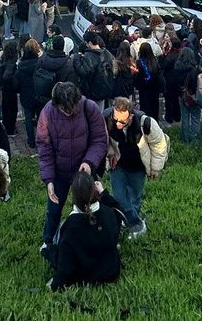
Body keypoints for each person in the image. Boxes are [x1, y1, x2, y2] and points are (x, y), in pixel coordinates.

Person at [37, 81, 108, 248]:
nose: (69, 113)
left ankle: (99, 236)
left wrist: (89, 162)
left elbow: (100, 140)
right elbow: (44, 147)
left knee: (93, 205)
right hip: (59, 172)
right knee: (53, 209)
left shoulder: (89, 108)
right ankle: (48, 241)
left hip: (84, 170)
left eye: (72, 109)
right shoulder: (47, 112)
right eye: (64, 110)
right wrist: (49, 180)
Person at [46, 171, 125, 291]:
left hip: (83, 275)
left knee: (51, 250)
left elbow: (66, 263)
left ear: (74, 195)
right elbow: (118, 210)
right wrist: (104, 193)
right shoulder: (109, 214)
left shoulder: (71, 226)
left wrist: (56, 284)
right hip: (110, 271)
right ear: (94, 190)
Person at [103, 96, 168, 238]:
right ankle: (136, 223)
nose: (118, 124)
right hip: (118, 164)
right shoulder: (107, 118)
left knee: (135, 197)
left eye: (123, 121)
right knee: (119, 197)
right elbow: (102, 138)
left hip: (138, 166)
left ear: (131, 116)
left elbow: (159, 144)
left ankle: (129, 222)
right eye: (116, 119)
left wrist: (155, 168)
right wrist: (111, 152)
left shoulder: (145, 122)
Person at [18, 38, 43, 151]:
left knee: (28, 117)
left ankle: (31, 141)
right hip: (39, 93)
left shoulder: (21, 66)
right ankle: (42, 139)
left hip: (26, 95)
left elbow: (17, 82)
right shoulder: (40, 63)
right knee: (41, 117)